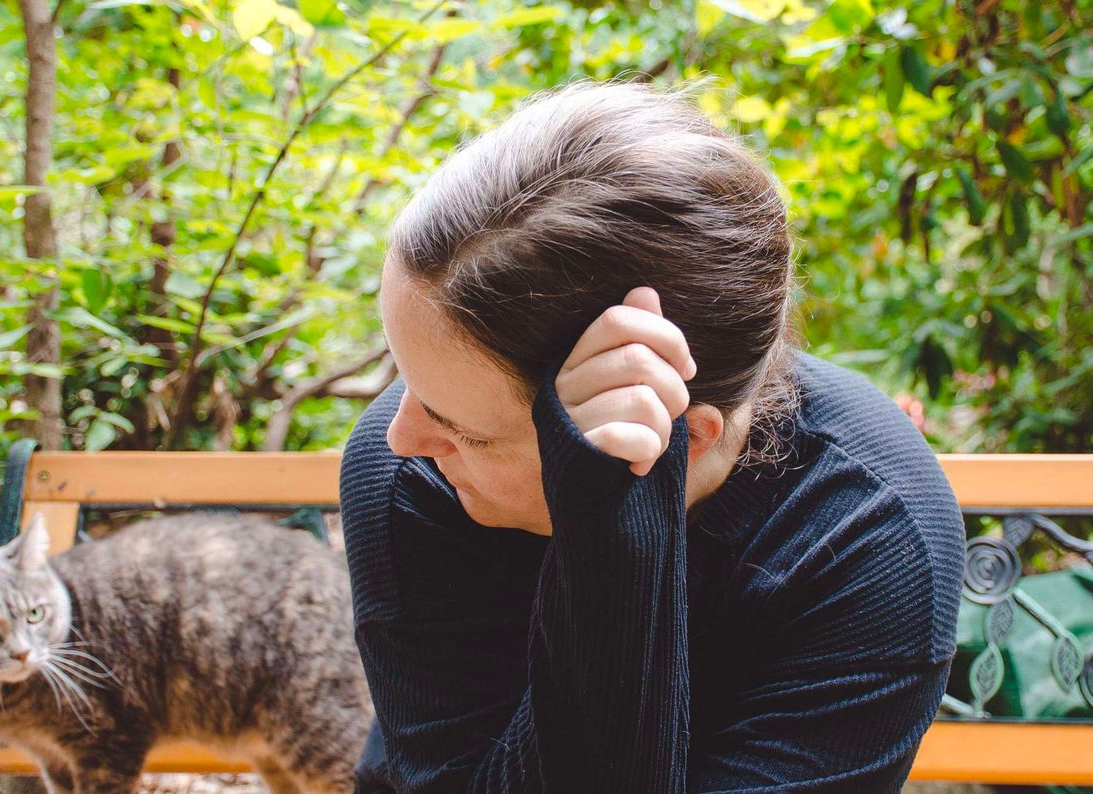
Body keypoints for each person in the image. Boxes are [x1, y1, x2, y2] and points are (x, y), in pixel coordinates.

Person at [339, 79, 965, 793]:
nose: (399, 439)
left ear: (689, 439)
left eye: (470, 433)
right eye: (410, 382)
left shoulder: (868, 538)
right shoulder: (415, 481)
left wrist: (612, 530)